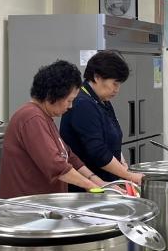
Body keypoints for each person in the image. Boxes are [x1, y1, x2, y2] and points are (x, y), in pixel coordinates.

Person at [0, 60, 103, 198]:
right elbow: (56, 166)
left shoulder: (45, 117)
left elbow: (69, 156)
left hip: (42, 206)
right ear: (51, 95)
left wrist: (96, 180)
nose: (70, 106)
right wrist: (89, 185)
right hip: (25, 209)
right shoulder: (32, 118)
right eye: (69, 100)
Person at [60, 51, 144, 188]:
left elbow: (113, 140)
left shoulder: (102, 100)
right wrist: (128, 176)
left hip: (107, 182)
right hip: (87, 188)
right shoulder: (83, 104)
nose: (117, 90)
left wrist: (123, 168)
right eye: (115, 84)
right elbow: (98, 152)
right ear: (97, 77)